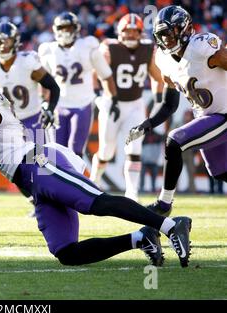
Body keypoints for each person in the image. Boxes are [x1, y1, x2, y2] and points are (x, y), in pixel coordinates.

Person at [0, 47, 193, 267]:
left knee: (96, 203)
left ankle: (169, 225)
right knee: (67, 252)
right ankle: (142, 238)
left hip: (39, 164)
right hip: (29, 180)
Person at [126, 5, 227, 216]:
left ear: (184, 29)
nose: (166, 40)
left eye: (169, 34)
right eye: (161, 36)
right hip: (207, 116)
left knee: (175, 140)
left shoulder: (201, 47)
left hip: (224, 113)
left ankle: (163, 204)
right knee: (220, 172)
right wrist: (148, 124)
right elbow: (169, 105)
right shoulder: (163, 60)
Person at [90, 13, 164, 201]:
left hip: (135, 105)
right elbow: (95, 74)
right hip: (111, 103)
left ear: (140, 32)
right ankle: (93, 183)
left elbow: (157, 77)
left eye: (135, 31)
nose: (131, 35)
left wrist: (157, 98)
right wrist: (99, 97)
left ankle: (132, 193)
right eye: (127, 31)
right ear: (119, 32)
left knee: (134, 147)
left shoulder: (148, 48)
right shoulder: (109, 47)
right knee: (106, 150)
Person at [38, 11, 116, 158]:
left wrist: (112, 99)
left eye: (69, 28)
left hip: (82, 104)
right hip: (59, 105)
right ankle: (60, 181)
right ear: (56, 30)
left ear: (76, 29)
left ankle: (75, 180)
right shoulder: (49, 50)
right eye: (62, 28)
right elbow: (44, 81)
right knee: (56, 152)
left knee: (75, 152)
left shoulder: (87, 46)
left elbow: (106, 75)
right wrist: (44, 102)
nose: (66, 32)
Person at [0, 21, 60, 144]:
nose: (3, 46)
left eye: (7, 41)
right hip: (7, 124)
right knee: (13, 162)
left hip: (32, 119)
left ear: (15, 41)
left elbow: (53, 87)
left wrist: (50, 109)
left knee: (40, 160)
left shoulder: (27, 62)